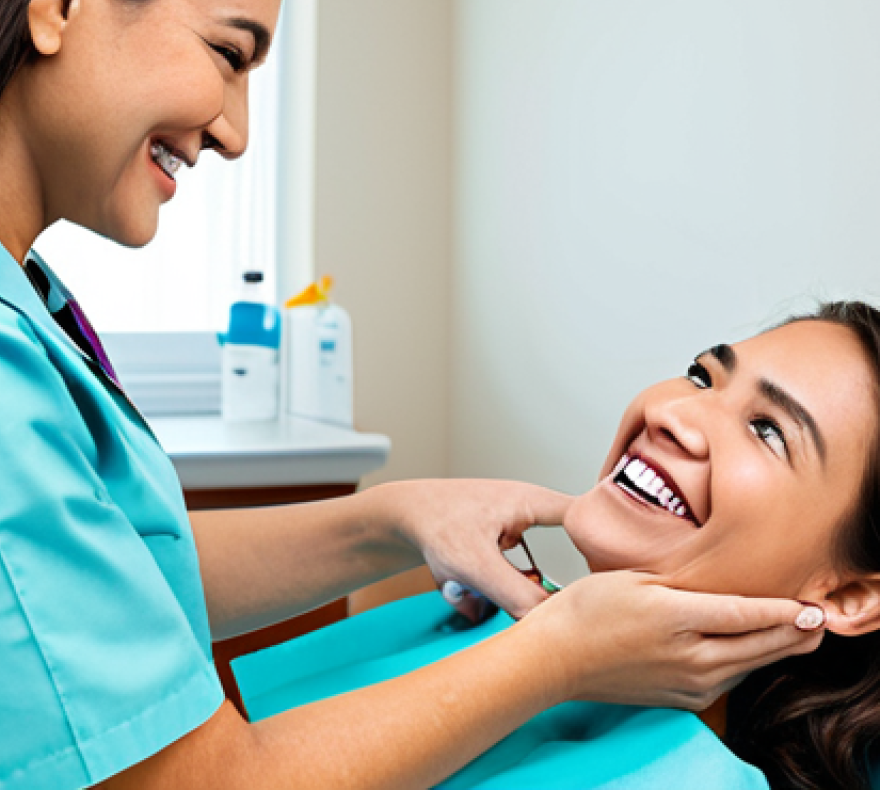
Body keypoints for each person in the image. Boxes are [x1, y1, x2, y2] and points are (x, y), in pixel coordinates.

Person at [0, 0, 824, 788]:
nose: (233, 130)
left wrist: (394, 516)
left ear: (850, 596)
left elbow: (96, 574)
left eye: (770, 428)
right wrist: (554, 653)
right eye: (228, 54)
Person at [234, 302, 880, 790]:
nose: (671, 413)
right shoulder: (459, 615)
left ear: (849, 594)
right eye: (701, 377)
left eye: (768, 431)